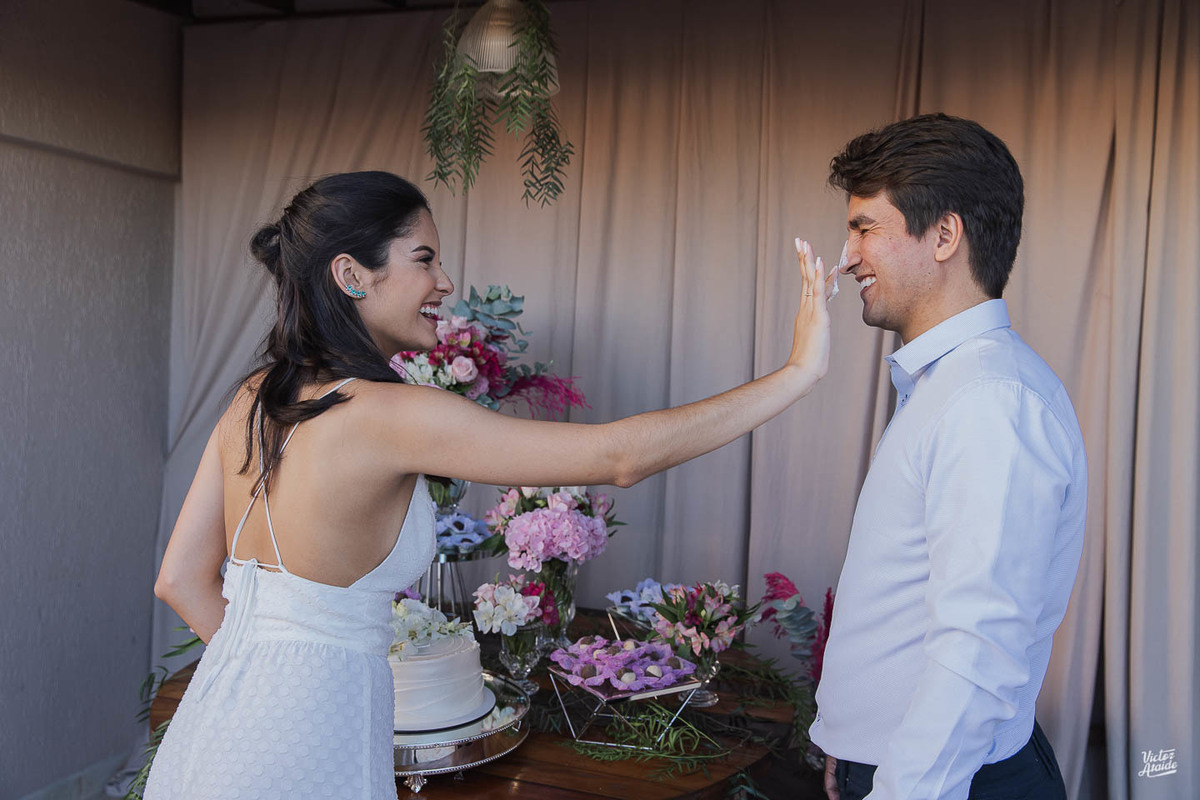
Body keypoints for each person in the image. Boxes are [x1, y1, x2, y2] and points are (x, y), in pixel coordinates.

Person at [144, 171, 833, 799]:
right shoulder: (389, 415)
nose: (445, 282)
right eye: (424, 259)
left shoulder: (252, 398)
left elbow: (179, 578)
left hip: (214, 730)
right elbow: (619, 457)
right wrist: (797, 373)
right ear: (352, 274)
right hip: (305, 750)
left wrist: (271, 673)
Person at [811, 113, 1087, 800]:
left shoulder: (989, 401)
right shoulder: (953, 385)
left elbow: (978, 647)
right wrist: (852, 748)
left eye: (865, 227)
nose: (846, 256)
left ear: (944, 236)